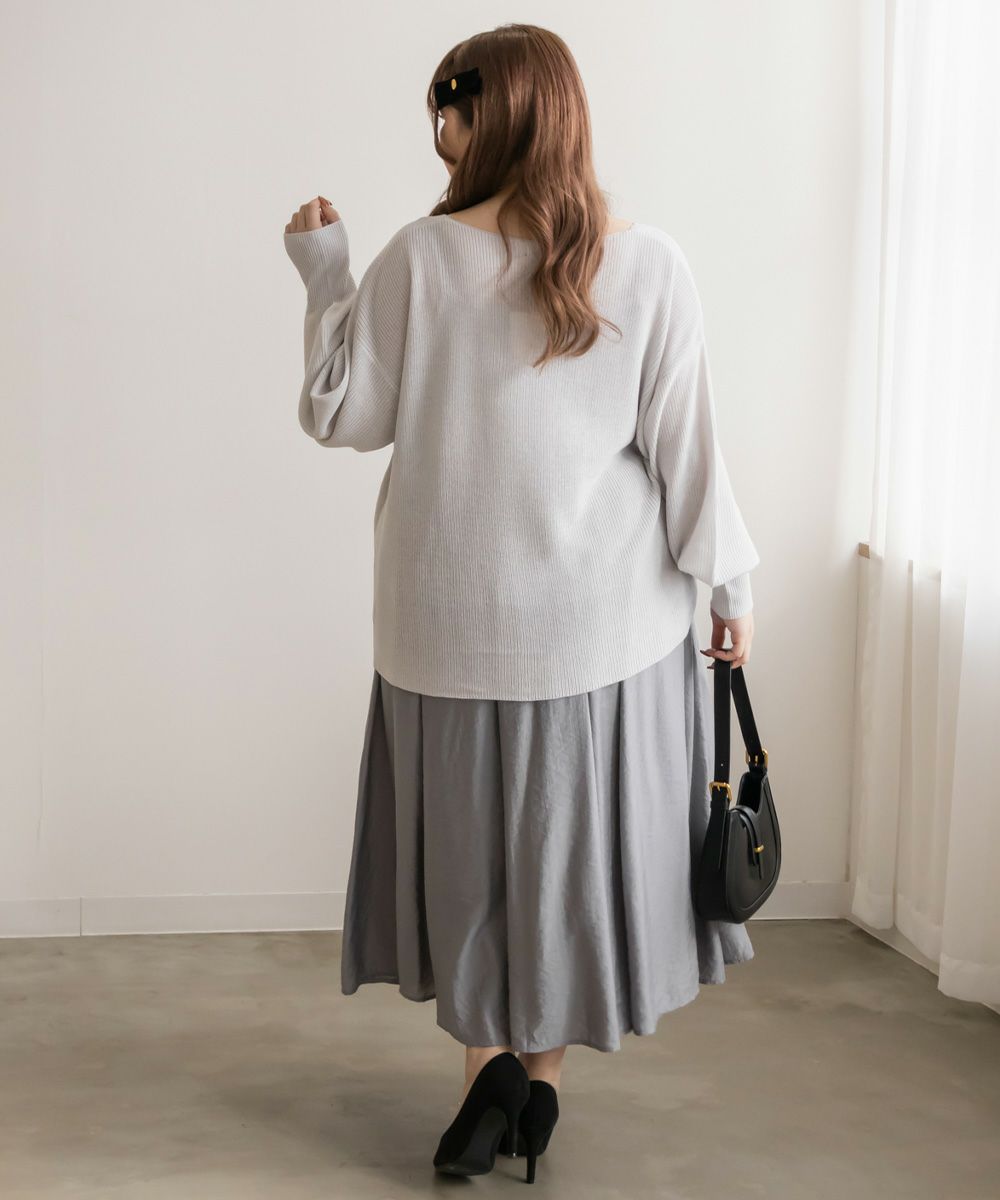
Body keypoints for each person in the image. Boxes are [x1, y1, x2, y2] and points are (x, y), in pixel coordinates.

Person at [282, 22, 759, 1185]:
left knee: (472, 867)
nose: (439, 137)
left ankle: (489, 1075)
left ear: (478, 118)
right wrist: (729, 588)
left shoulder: (416, 258)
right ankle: (532, 1085)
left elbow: (340, 415)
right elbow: (689, 455)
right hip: (598, 637)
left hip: (444, 632)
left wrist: (326, 275)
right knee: (559, 871)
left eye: (446, 114)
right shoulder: (646, 265)